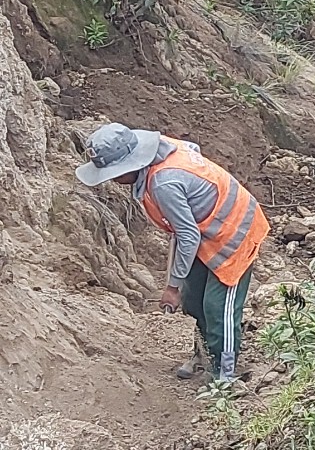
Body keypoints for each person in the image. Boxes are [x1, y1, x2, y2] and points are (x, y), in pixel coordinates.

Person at [75, 122, 268, 384]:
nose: (112, 179)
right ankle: (204, 353)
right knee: (194, 300)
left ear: (131, 165)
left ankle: (224, 373)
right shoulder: (160, 154)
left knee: (217, 307)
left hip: (236, 231)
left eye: (114, 173)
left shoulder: (164, 184)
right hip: (206, 229)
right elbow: (192, 153)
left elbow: (188, 235)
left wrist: (172, 287)